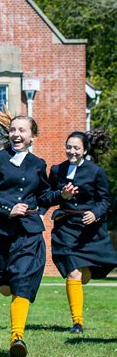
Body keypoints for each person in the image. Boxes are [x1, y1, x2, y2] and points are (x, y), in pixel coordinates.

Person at [0, 115, 77, 357]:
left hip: (28, 232)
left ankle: (16, 338)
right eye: (13, 130)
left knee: (22, 281)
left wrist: (62, 194)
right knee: (6, 287)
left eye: (22, 130)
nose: (16, 134)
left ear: (32, 136)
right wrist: (7, 208)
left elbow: (42, 196)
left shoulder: (38, 164)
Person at [49, 131, 117, 333]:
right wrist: (60, 195)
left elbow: (105, 200)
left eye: (76, 147)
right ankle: (77, 322)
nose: (72, 151)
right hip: (65, 227)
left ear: (85, 150)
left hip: (88, 229)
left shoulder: (96, 172)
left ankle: (84, 273)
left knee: (83, 274)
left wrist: (95, 213)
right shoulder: (56, 170)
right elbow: (48, 195)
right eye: (69, 147)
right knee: (73, 273)